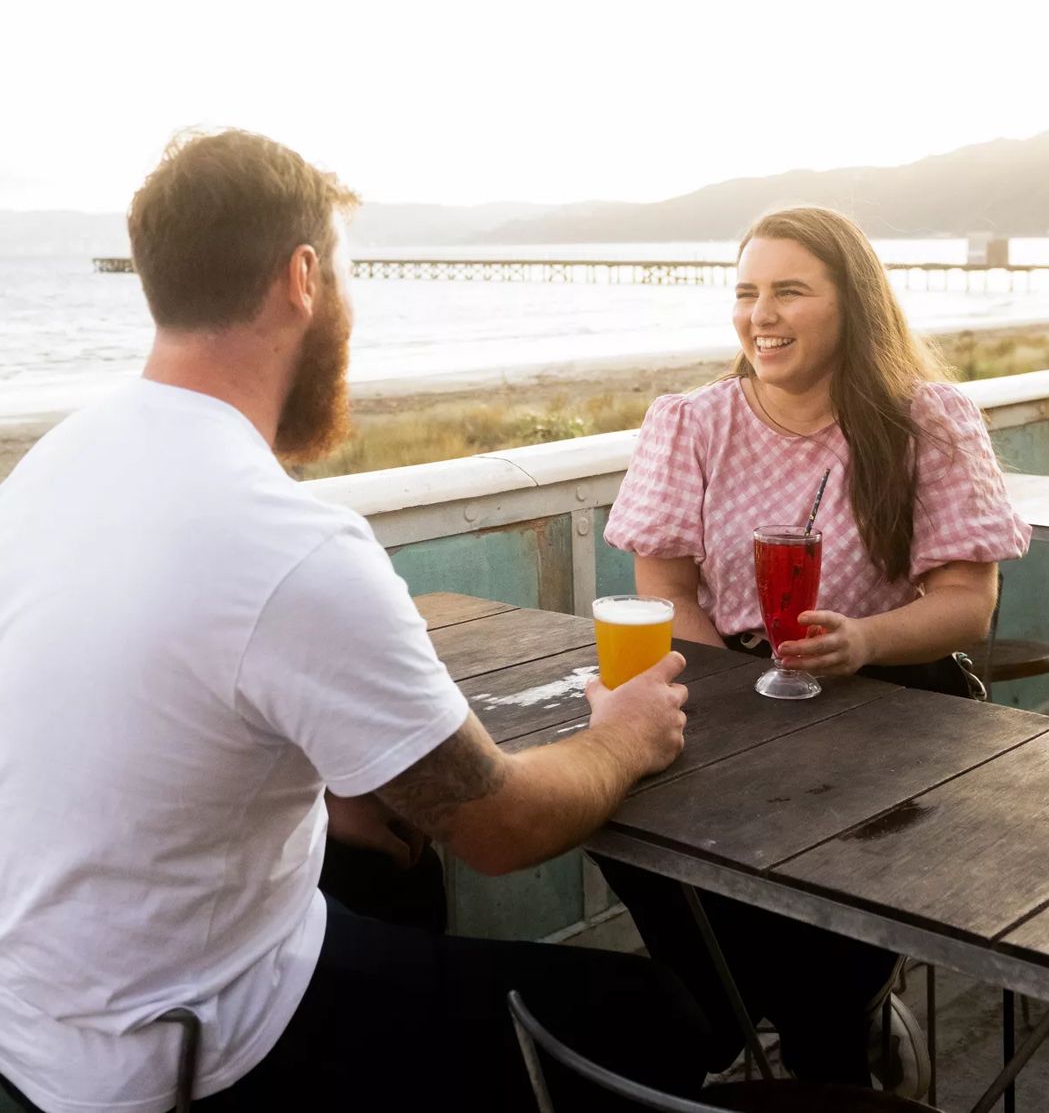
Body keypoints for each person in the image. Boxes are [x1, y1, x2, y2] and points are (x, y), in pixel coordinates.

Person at [0, 131, 709, 1113]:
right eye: (345, 271)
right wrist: (623, 737)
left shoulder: (54, 465)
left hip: (41, 1028)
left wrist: (329, 787)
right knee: (654, 1015)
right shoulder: (289, 542)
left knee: (389, 865)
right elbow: (501, 828)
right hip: (191, 1051)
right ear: (302, 278)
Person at [601, 205, 1031, 1093]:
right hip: (730, 678)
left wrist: (863, 637)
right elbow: (668, 593)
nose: (761, 313)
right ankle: (766, 1016)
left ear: (852, 305)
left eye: (790, 291)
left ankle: (815, 1030)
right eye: (747, 292)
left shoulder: (928, 421)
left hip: (894, 697)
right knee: (610, 810)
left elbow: (967, 605)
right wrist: (739, 686)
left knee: (834, 891)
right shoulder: (690, 423)